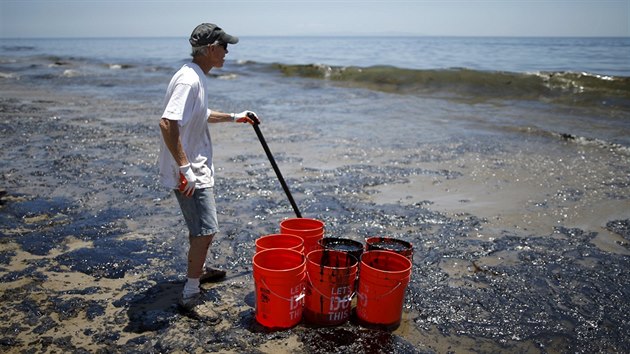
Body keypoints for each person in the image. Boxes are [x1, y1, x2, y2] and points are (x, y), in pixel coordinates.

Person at [158, 23, 260, 323]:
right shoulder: (189, 80)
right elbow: (167, 122)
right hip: (189, 171)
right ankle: (190, 293)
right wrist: (185, 168)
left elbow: (199, 114)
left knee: (202, 227)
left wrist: (234, 116)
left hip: (192, 168)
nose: (227, 52)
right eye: (224, 46)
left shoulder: (195, 76)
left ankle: (198, 271)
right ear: (211, 49)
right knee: (206, 229)